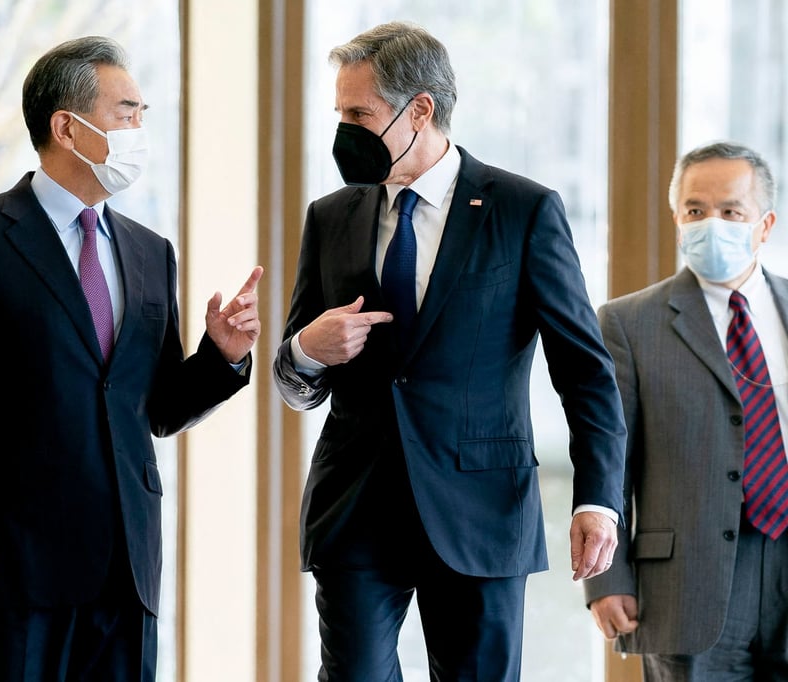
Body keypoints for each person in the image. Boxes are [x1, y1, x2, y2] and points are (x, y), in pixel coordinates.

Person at [273, 21, 626, 681]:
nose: (344, 131)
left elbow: (584, 372)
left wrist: (597, 498)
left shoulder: (523, 210)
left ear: (422, 109)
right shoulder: (332, 215)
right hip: (355, 508)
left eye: (360, 114)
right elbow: (295, 382)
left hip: (481, 510)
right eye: (340, 113)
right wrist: (306, 350)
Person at [0, 36, 262, 681]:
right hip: (14, 562)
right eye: (127, 112)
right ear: (67, 127)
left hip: (127, 566)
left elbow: (152, 408)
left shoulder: (151, 251)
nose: (139, 129)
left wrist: (220, 357)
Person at [584, 141, 788, 680]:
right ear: (677, 218)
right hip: (687, 582)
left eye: (731, 211)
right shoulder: (628, 323)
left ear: (764, 224)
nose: (711, 224)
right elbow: (610, 459)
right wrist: (607, 579)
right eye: (696, 210)